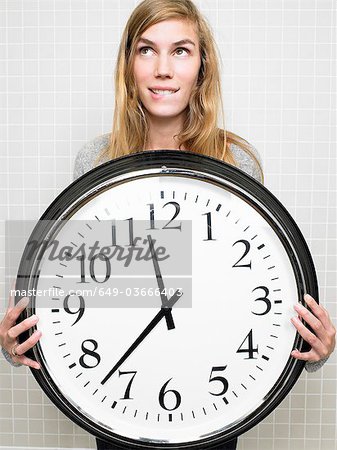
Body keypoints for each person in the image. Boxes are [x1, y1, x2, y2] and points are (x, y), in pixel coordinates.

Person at [1, 1, 336, 449]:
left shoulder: (236, 162)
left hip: (209, 388)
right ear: (129, 65)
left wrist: (315, 352)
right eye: (146, 50)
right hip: (124, 393)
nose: (163, 69)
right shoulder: (96, 161)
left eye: (180, 51)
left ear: (202, 66)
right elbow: (83, 291)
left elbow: (259, 295)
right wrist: (17, 341)